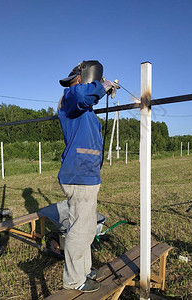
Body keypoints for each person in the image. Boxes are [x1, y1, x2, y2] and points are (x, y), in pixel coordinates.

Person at [57, 60, 118, 292]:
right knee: (81, 230)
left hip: (87, 174)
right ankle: (74, 281)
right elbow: (82, 96)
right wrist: (103, 86)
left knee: (86, 227)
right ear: (83, 79)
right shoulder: (71, 96)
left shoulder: (82, 107)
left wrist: (102, 90)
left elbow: (87, 100)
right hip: (79, 174)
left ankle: (84, 270)